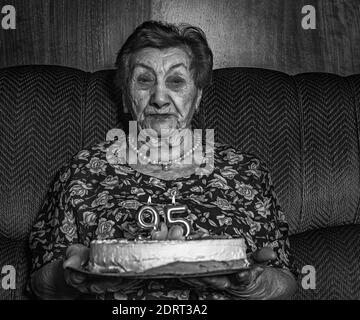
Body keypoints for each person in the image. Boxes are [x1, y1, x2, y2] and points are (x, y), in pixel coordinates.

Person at [28, 20, 298, 300]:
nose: (159, 98)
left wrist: (249, 285)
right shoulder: (83, 171)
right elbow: (41, 282)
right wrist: (70, 277)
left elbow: (283, 279)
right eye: (144, 80)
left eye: (176, 81)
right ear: (124, 97)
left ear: (197, 97)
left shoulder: (246, 171)